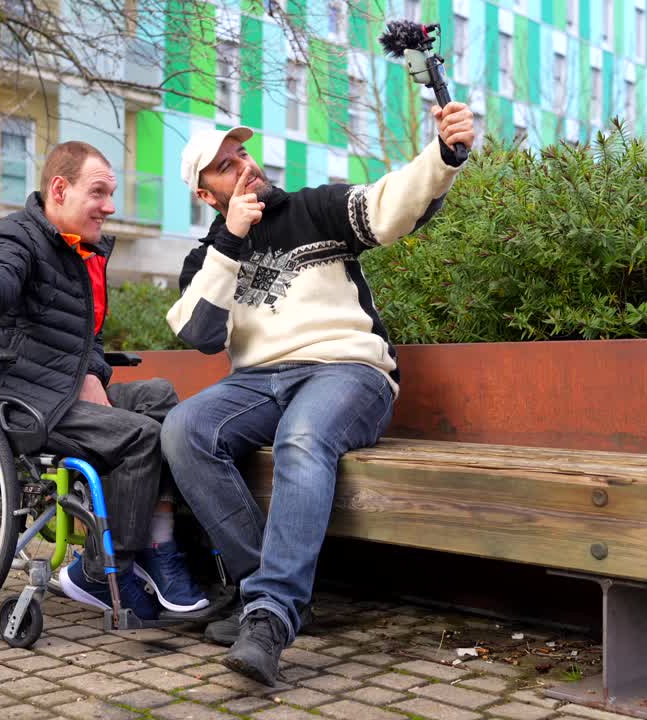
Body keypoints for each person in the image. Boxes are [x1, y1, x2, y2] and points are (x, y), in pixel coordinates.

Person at [160, 102, 475, 683]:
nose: (245, 167)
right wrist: (231, 242)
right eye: (226, 168)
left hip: (347, 371)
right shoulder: (205, 259)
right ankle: (268, 593)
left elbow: (392, 203)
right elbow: (200, 335)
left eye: (243, 155)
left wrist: (444, 154)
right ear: (207, 196)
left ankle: (271, 618)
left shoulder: (313, 209)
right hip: (258, 381)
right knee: (183, 428)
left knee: (301, 438)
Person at [0, 140, 208, 620]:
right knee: (140, 437)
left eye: (112, 193)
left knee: (161, 398)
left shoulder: (85, 252)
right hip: (15, 398)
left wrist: (92, 374)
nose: (110, 206)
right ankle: (100, 573)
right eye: (98, 192)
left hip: (60, 388)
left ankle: (156, 542)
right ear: (59, 190)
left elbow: (87, 342)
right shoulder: (14, 238)